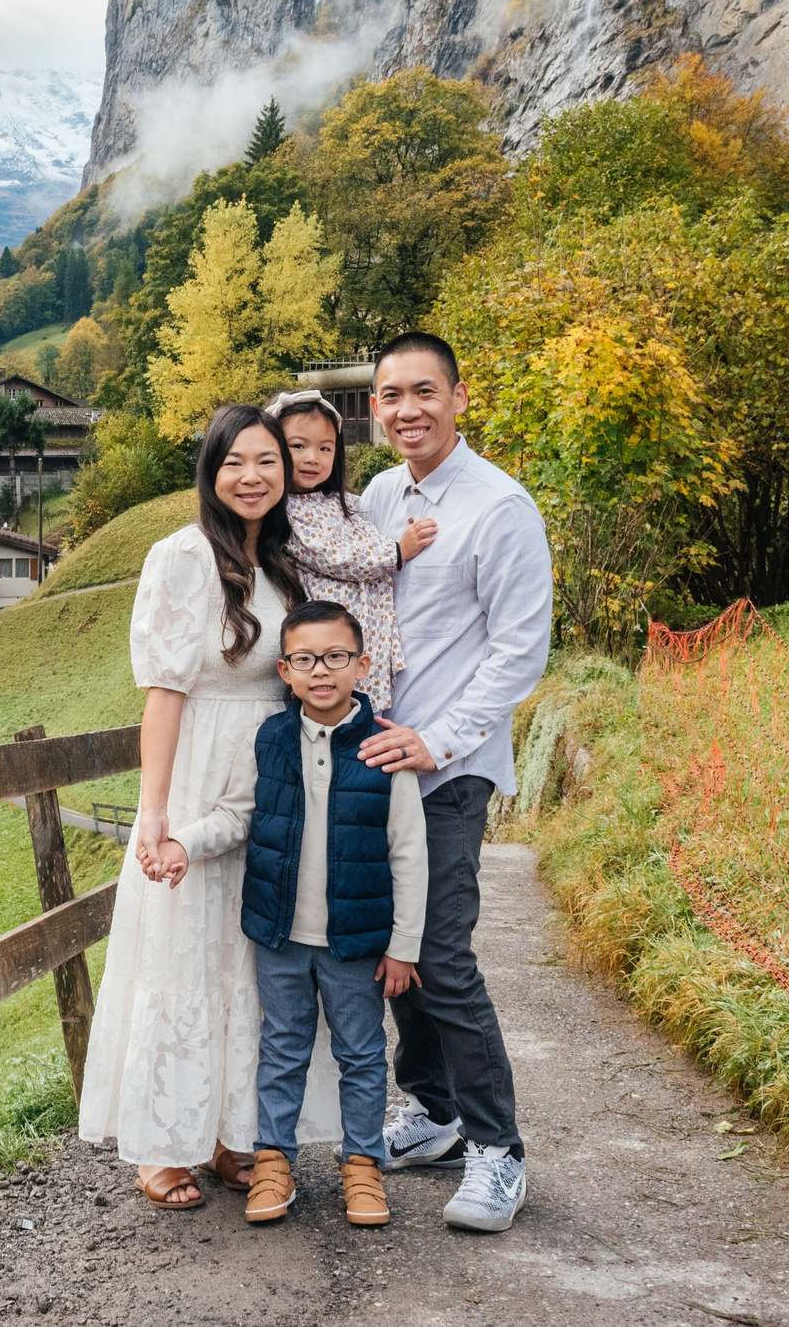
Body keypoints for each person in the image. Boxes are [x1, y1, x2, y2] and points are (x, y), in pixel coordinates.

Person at [352, 330, 553, 1233]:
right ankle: (431, 1110)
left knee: (441, 954)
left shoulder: (500, 507)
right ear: (375, 408)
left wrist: (439, 739)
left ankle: (499, 1149)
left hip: (448, 769)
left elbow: (520, 651)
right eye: (391, 395)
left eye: (424, 391)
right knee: (395, 955)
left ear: (460, 397)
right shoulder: (380, 495)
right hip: (378, 766)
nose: (407, 409)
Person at [81, 404, 305, 1209]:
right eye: (235, 462)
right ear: (210, 472)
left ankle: (225, 1132)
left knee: (247, 958)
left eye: (268, 461)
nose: (253, 476)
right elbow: (164, 693)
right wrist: (154, 811)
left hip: (268, 779)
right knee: (181, 951)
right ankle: (161, 1141)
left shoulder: (281, 560)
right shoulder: (179, 557)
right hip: (197, 769)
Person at [223, 599, 427, 1228]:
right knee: (281, 1047)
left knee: (361, 1054)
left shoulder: (383, 747)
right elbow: (240, 814)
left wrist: (404, 946)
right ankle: (274, 1162)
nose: (321, 672)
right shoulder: (271, 738)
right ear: (284, 670)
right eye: (305, 660)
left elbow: (409, 851)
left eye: (336, 657)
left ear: (361, 665)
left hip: (357, 944)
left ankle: (363, 1166)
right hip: (281, 936)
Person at [269, 390, 438, 713]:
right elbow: (335, 556)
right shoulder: (286, 512)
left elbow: (368, 526)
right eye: (298, 446)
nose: (312, 458)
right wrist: (397, 551)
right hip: (331, 636)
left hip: (367, 627)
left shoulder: (340, 501)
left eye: (325, 448)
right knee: (336, 705)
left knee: (367, 711)